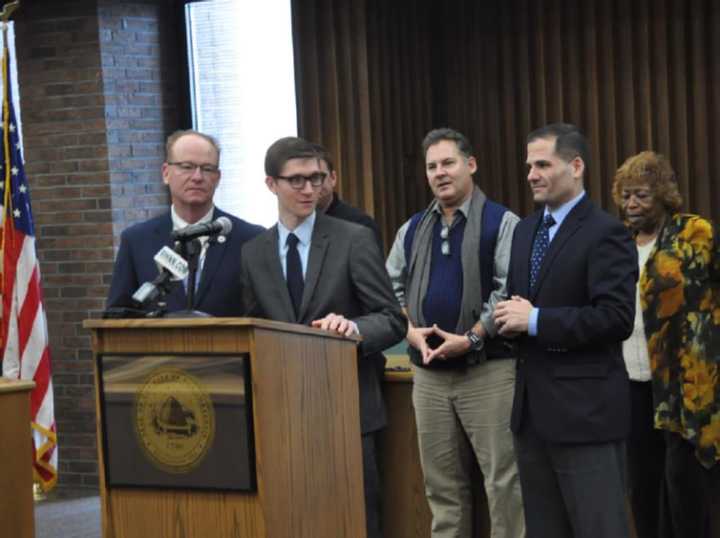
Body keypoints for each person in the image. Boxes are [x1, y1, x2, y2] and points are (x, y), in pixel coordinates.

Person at [240, 136, 406, 538]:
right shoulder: (253, 253)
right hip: (282, 412)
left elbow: (391, 319)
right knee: (295, 518)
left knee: (356, 519)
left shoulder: (353, 237)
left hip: (348, 405)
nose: (309, 189)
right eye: (296, 180)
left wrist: (355, 329)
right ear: (270, 184)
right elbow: (251, 328)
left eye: (315, 178)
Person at [494, 123, 637, 538]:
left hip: (586, 416)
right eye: (529, 165)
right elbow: (518, 306)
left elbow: (615, 318)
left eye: (543, 164)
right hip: (532, 417)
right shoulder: (524, 231)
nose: (531, 174)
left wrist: (536, 320)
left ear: (576, 166)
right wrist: (504, 323)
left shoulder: (605, 232)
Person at [386, 127, 524, 538]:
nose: (440, 173)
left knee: (503, 483)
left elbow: (508, 290)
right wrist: (410, 331)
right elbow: (389, 289)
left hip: (489, 371)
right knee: (442, 488)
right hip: (427, 376)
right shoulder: (411, 229)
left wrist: (473, 337)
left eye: (448, 163)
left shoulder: (503, 222)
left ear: (471, 164)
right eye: (432, 166)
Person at [612, 150, 719, 538]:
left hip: (685, 384)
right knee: (641, 484)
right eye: (625, 196)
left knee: (685, 487)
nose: (632, 204)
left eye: (640, 194)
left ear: (662, 195)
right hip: (633, 382)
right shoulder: (618, 245)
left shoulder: (695, 233)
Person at [107, 129, 263, 316]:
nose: (197, 177)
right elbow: (117, 315)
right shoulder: (137, 240)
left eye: (206, 169)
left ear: (217, 178)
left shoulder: (250, 239)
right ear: (166, 173)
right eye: (187, 166)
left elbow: (263, 314)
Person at [315, 145, 384, 251]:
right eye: (299, 179)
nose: (309, 187)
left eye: (317, 177)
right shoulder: (293, 226)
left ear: (333, 178)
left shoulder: (360, 225)